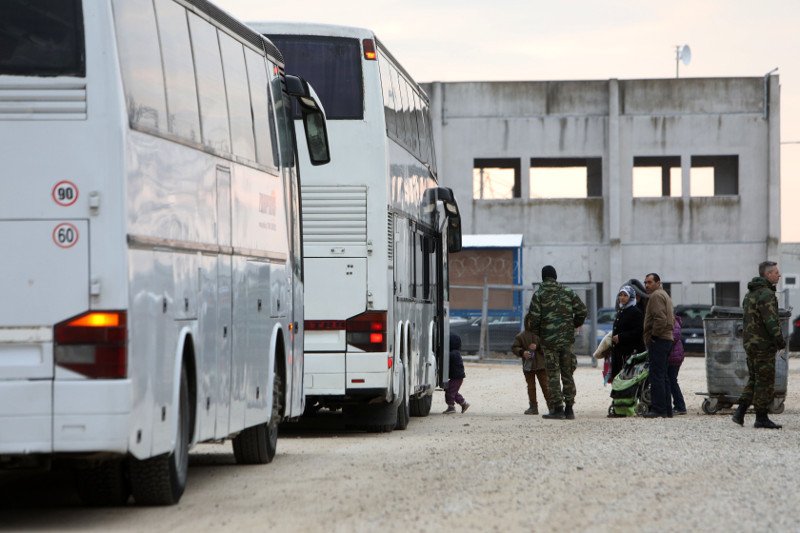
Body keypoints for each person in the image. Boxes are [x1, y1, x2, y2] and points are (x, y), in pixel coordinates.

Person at [525, 265, 587, 420]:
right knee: (567, 372)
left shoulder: (539, 294)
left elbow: (533, 320)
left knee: (552, 374)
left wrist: (542, 334)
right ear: (555, 276)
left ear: (543, 277)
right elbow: (582, 311)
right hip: (566, 340)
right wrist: (572, 325)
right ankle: (570, 409)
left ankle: (557, 409)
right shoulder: (568, 292)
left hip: (549, 341)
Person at [731, 261, 786, 429]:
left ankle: (740, 412)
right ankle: (761, 418)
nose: (779, 275)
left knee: (755, 379)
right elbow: (771, 321)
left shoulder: (750, 294)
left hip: (750, 343)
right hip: (763, 345)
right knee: (765, 381)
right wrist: (779, 341)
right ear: (768, 275)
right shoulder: (767, 294)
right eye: (776, 272)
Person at [641, 272, 675, 418]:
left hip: (660, 339)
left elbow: (660, 319)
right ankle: (667, 409)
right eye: (645, 282)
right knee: (663, 375)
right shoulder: (664, 294)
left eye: (649, 282)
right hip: (666, 339)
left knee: (656, 376)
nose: (646, 285)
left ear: (658, 282)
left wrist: (653, 336)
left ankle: (658, 409)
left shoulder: (655, 296)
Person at [609, 285, 645, 383]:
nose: (622, 298)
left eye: (625, 295)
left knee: (627, 379)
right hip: (619, 353)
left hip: (629, 353)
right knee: (618, 378)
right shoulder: (621, 311)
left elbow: (638, 331)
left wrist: (620, 337)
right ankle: (618, 398)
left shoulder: (635, 312)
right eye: (620, 295)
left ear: (631, 297)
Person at [511, 329, 551, 415]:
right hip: (528, 366)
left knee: (545, 386)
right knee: (531, 387)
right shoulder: (521, 336)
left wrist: (538, 347)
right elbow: (514, 347)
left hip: (541, 365)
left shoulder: (543, 334)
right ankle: (533, 407)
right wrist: (522, 352)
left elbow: (549, 346)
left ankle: (552, 407)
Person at [443, 334, 470, 414]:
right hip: (456, 378)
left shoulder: (454, 353)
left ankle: (451, 407)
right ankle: (463, 403)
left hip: (457, 378)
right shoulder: (456, 352)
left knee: (450, 392)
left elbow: (448, 356)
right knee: (451, 390)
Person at [667, 314, 687, 415]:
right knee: (671, 381)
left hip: (674, 357)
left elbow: (675, 336)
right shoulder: (671, 319)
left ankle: (680, 406)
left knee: (672, 381)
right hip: (673, 356)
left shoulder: (673, 320)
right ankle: (678, 405)